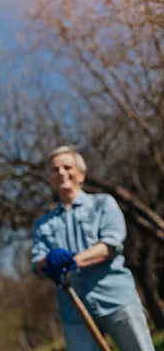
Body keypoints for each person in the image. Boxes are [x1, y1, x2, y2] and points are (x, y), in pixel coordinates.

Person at [31, 146, 155, 351]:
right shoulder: (43, 224)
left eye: (67, 167)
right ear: (51, 179)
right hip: (75, 313)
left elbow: (110, 245)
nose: (61, 172)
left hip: (117, 301)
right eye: (55, 169)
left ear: (81, 174)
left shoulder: (103, 204)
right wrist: (48, 262)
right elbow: (37, 266)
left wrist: (74, 261)